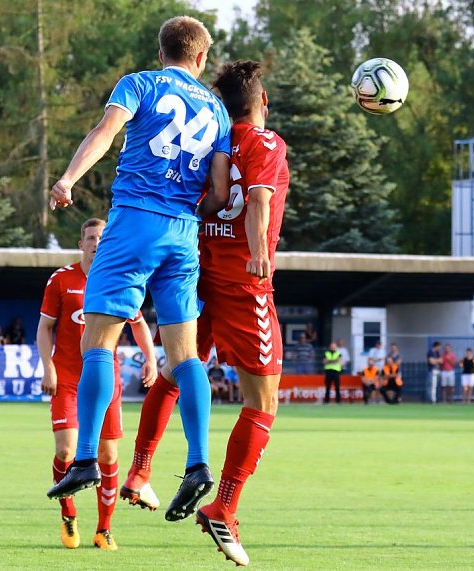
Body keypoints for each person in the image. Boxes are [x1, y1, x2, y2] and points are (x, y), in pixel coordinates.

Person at [47, 15, 232, 516]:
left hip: (132, 224)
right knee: (185, 355)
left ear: (161, 53)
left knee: (98, 343)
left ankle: (86, 458)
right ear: (200, 59)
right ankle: (197, 464)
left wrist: (67, 179)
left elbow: (105, 131)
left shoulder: (140, 84)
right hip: (183, 232)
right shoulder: (217, 110)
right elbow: (217, 192)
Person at [119, 60, 290, 566]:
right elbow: (258, 197)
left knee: (178, 369)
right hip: (243, 282)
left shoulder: (208, 134)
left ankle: (141, 471)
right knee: (263, 403)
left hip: (198, 269)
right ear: (262, 104)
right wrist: (259, 250)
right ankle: (225, 507)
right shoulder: (266, 142)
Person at [37, 218, 158, 550]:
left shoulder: (119, 279)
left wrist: (150, 357)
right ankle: (69, 514)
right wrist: (47, 367)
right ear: (81, 244)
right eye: (90, 237)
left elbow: (139, 324)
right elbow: (45, 327)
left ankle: (104, 529)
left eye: (102, 237)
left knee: (107, 455)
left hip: (107, 380)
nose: (96, 242)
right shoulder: (62, 280)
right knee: (66, 450)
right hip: (68, 380)